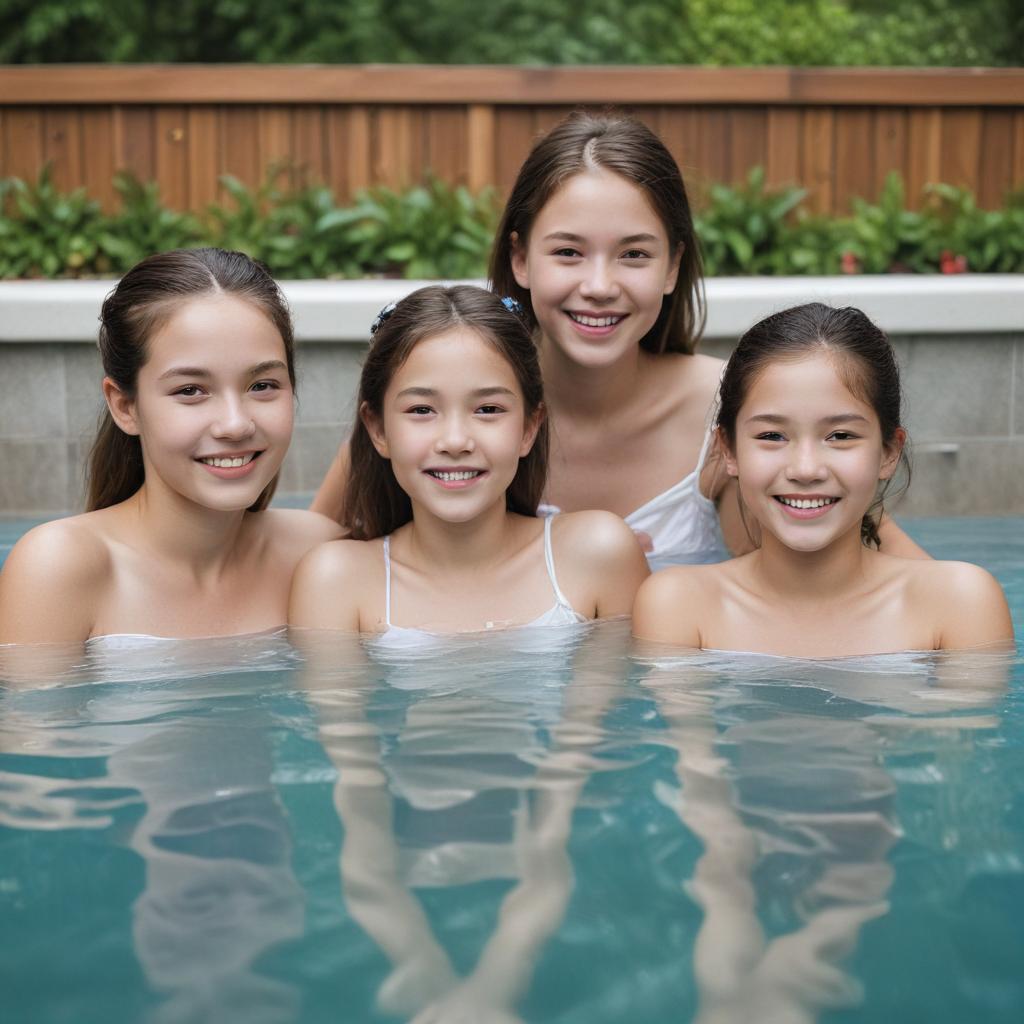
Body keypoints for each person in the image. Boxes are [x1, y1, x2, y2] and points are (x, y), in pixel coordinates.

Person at [311, 111, 926, 567]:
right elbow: (312, 559)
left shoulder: (735, 410)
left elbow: (886, 574)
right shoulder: (450, 403)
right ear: (521, 259)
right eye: (569, 253)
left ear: (671, 266)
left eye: (633, 254)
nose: (599, 286)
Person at [0, 248, 341, 646]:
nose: (235, 424)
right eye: (190, 390)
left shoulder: (318, 555)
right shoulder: (59, 568)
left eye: (262, 385)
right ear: (125, 406)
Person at [632, 303, 1013, 656]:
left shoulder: (959, 604)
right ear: (728, 450)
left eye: (841, 436)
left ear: (888, 453)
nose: (805, 469)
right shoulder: (679, 605)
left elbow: (965, 729)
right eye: (772, 436)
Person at [289, 285, 648, 636]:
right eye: (422, 410)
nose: (456, 441)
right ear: (378, 429)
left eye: (488, 409)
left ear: (529, 428)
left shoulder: (598, 554)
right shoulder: (336, 580)